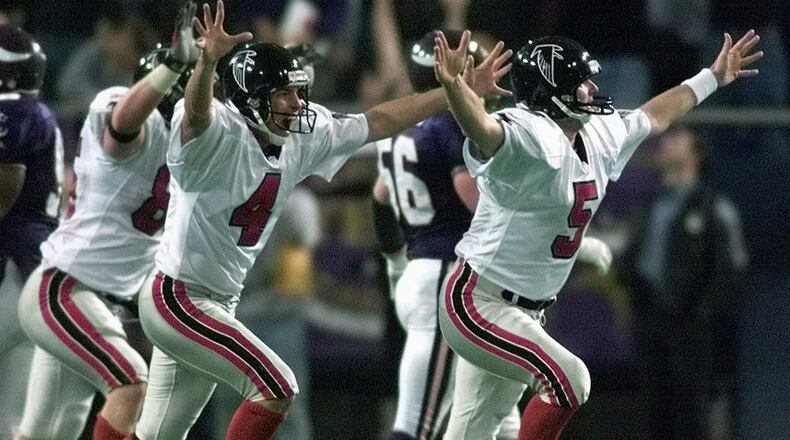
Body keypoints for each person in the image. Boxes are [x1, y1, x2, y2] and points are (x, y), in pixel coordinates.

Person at [131, 2, 512, 439]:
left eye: (298, 92)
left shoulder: (300, 136)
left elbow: (379, 120)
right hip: (178, 297)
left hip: (215, 301)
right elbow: (198, 113)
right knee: (276, 386)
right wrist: (206, 63)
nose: (298, 103)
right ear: (252, 99)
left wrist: (454, 92)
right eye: (284, 94)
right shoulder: (216, 133)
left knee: (156, 435)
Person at [432, 28, 762, 440]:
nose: (591, 89)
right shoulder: (530, 135)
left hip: (524, 311)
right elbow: (483, 129)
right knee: (570, 381)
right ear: (550, 95)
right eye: (580, 83)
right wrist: (455, 88)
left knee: (472, 433)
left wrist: (712, 76)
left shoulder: (599, 133)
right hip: (478, 302)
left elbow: (655, 115)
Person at [372, 29, 613, 440]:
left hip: (417, 269)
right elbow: (478, 201)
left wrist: (395, 263)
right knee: (417, 423)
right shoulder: (450, 129)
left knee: (499, 422)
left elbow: (379, 199)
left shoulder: (407, 132)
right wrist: (569, 237)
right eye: (479, 68)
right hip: (450, 273)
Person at [13, 3, 198, 440]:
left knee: (49, 432)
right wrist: (173, 68)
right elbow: (122, 130)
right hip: (65, 287)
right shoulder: (123, 108)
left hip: (97, 299)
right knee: (130, 382)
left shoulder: (193, 150)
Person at [619, 125, 748, 440]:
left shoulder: (712, 206)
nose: (666, 144)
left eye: (677, 140)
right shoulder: (650, 204)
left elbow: (730, 269)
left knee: (693, 411)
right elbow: (634, 256)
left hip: (693, 328)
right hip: (652, 322)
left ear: (695, 155)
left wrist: (702, 314)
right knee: (654, 410)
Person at [0, 24, 63, 439]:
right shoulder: (37, 114)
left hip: (11, 270)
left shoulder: (13, 112)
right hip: (33, 274)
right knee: (13, 423)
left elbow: (2, 193)